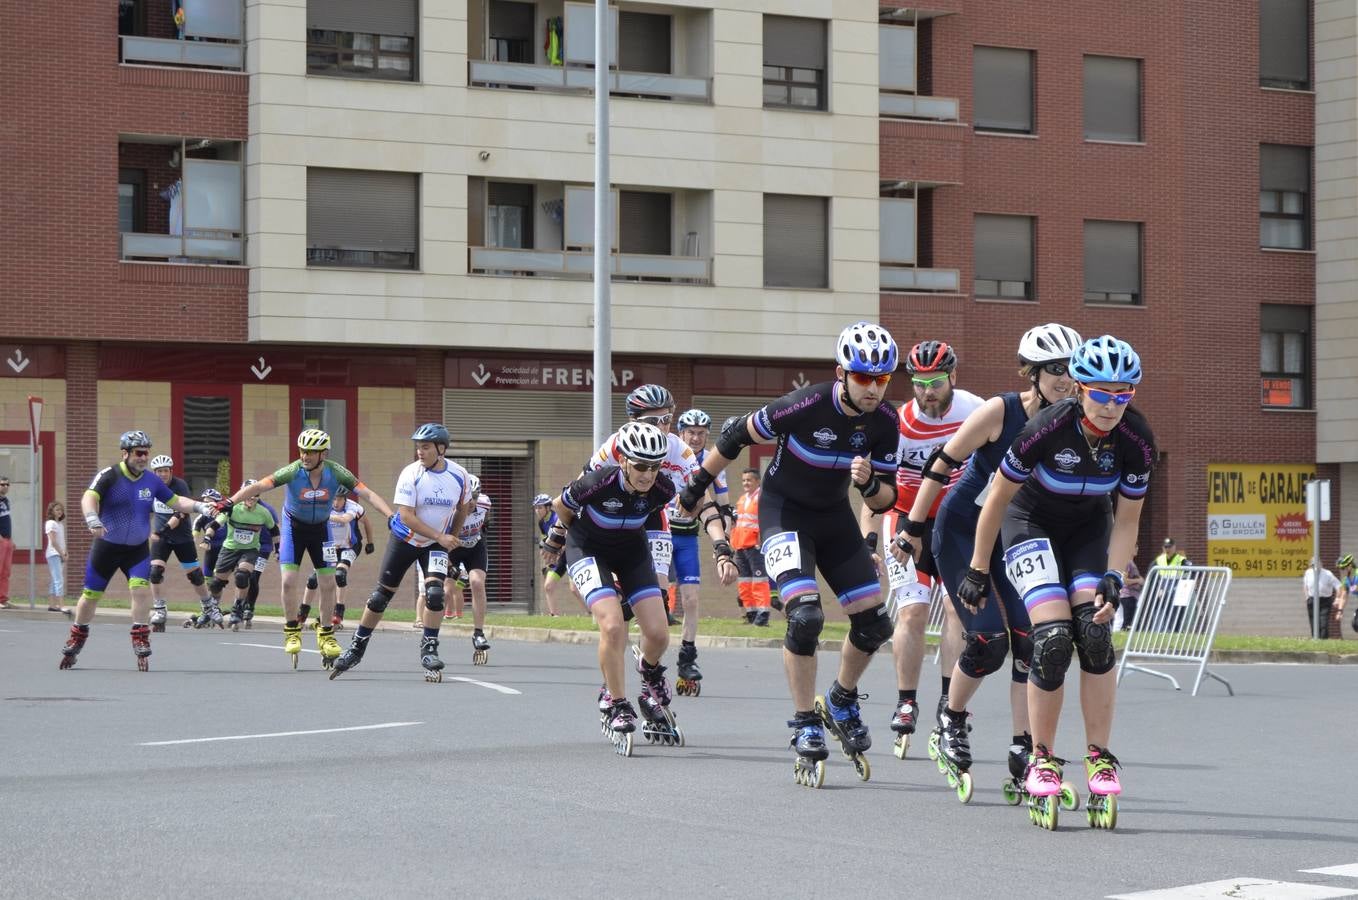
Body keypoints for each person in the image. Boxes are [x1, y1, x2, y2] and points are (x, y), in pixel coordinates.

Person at [678, 321, 901, 787]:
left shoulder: (884, 423)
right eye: (863, 378)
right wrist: (698, 483)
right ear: (842, 373)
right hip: (783, 514)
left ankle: (840, 699)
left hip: (834, 516)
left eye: (883, 379)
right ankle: (804, 722)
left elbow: (885, 501)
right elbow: (737, 435)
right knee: (805, 618)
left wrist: (869, 484)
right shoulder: (806, 404)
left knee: (876, 622)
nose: (874, 389)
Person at [956, 335, 1153, 829]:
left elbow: (1128, 520)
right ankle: (1042, 758)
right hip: (1030, 524)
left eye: (1123, 394)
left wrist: (1113, 573)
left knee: (1094, 632)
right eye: (1102, 393)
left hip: (1088, 530)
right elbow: (997, 497)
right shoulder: (1047, 426)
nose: (1111, 405)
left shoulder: (1137, 438)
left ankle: (1099, 756)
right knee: (1052, 640)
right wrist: (979, 567)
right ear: (1080, 387)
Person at [892, 322, 1082, 794]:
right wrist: (913, 528)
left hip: (1011, 538)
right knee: (988, 642)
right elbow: (941, 463)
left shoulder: (1076, 421)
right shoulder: (1002, 411)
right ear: (1030, 372)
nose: (1065, 379)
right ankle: (949, 721)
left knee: (1033, 643)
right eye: (1054, 370)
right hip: (959, 532)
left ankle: (1025, 744)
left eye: (1072, 371)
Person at [543, 422, 716, 753]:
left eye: (654, 466)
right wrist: (558, 536)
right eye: (640, 465)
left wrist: (718, 533)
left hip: (631, 552)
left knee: (659, 632)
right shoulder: (597, 482)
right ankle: (616, 699)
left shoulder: (662, 488)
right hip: (588, 549)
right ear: (623, 460)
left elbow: (689, 505)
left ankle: (649, 673)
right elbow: (560, 505)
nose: (647, 474)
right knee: (611, 624)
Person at [863, 339, 983, 754]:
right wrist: (869, 538)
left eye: (935, 382)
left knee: (956, 608)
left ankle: (950, 704)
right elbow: (874, 490)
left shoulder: (975, 411)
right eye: (918, 383)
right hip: (905, 523)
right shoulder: (899, 425)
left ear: (953, 377)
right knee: (912, 612)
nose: (927, 391)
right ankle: (906, 701)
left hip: (954, 524)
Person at [588, 385, 735, 696]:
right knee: (618, 611)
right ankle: (613, 684)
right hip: (609, 525)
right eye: (653, 422)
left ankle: (649, 673)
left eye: (667, 420)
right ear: (633, 421)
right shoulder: (616, 444)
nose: (662, 428)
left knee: (654, 594)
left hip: (652, 520)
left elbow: (701, 497)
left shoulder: (676, 448)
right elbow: (580, 488)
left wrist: (722, 547)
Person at [219, 429, 395, 668]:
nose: (305, 456)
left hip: (321, 530)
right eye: (302, 450)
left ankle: (326, 634)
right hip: (294, 528)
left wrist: (390, 516)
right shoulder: (292, 471)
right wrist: (230, 501)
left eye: (311, 451)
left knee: (328, 582)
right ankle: (292, 630)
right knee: (289, 580)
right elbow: (259, 485)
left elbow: (367, 493)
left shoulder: (336, 472)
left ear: (323, 453)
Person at [59, 431, 215, 671]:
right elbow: (88, 497)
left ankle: (140, 636)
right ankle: (77, 636)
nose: (144, 458)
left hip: (137, 549)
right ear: (126, 453)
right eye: (139, 453)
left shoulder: (152, 481)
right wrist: (92, 519)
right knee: (91, 596)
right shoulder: (110, 475)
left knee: (141, 592)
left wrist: (201, 507)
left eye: (146, 453)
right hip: (107, 547)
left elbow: (176, 502)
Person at [329, 423, 467, 681]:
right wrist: (441, 536)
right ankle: (357, 647)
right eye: (417, 446)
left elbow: (464, 507)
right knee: (380, 598)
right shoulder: (410, 474)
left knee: (435, 595)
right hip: (405, 540)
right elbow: (406, 516)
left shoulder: (459, 475)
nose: (419, 451)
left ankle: (429, 649)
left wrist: (452, 537)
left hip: (435, 545)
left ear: (441, 449)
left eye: (425, 447)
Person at [669, 408, 735, 653]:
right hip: (661, 534)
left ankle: (687, 654)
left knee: (691, 600)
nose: (695, 438)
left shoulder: (711, 460)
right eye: (690, 432)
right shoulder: (670, 454)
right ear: (681, 433)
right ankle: (649, 660)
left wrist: (724, 547)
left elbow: (725, 507)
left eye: (701, 433)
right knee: (657, 601)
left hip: (687, 536)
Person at [203, 481, 278, 632]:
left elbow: (274, 531)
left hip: (251, 550)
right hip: (230, 549)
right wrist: (207, 538)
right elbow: (215, 525)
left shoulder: (264, 512)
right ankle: (211, 608)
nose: (251, 498)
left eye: (255, 495)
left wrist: (278, 550)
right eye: (248, 494)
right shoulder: (233, 509)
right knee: (216, 584)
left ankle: (238, 608)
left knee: (243, 576)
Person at [147, 455, 211, 631]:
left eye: (165, 471)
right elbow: (147, 510)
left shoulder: (179, 485)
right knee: (155, 572)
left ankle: (208, 605)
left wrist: (163, 529)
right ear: (155, 473)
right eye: (159, 471)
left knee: (195, 576)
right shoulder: (150, 487)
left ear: (171, 471)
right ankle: (159, 608)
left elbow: (181, 513)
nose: (162, 474)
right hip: (162, 538)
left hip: (182, 537)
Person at [299, 488, 365, 630]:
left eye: (339, 499)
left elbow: (348, 520)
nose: (336, 503)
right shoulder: (323, 506)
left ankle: (338, 613)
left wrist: (370, 542)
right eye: (334, 499)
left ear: (345, 499)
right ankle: (303, 612)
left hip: (349, 546)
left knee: (340, 575)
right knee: (313, 579)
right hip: (330, 546)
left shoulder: (353, 507)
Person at [446, 473, 494, 664]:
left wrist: (485, 525)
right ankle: (430, 636)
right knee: (445, 591)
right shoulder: (449, 511)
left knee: (476, 583)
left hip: (475, 548)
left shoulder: (485, 503)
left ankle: (478, 633)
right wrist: (451, 568)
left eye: (475, 496)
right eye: (468, 498)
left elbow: (486, 516)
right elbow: (438, 540)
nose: (472, 502)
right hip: (452, 550)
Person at [731, 467, 773, 625]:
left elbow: (767, 520)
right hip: (740, 545)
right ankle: (751, 613)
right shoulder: (742, 499)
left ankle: (763, 614)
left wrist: (762, 541)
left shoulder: (762, 498)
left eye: (749, 480)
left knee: (759, 580)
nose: (745, 483)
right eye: (743, 480)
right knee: (744, 581)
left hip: (755, 546)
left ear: (757, 481)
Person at [534, 492, 572, 616]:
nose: (537, 510)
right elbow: (545, 541)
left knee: (575, 589)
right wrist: (548, 562)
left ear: (548, 507)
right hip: (557, 559)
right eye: (536, 508)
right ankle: (554, 615)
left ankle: (591, 613)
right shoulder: (541, 523)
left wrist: (559, 552)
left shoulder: (557, 519)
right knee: (548, 586)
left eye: (540, 507)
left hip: (569, 555)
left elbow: (566, 538)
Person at [1148, 538, 1192, 632]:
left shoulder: (1181, 560)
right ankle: (1165, 632)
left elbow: (1193, 570)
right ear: (1163, 548)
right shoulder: (1159, 560)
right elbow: (1150, 575)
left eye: (1170, 547)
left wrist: (1190, 583)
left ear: (1174, 547)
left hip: (1178, 591)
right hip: (1163, 592)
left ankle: (1177, 632)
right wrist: (1158, 589)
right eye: (1166, 547)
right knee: (1164, 615)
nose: (1167, 549)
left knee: (1177, 615)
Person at [1303, 560, 1342, 640]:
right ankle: (1315, 639)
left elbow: (1339, 586)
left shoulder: (1328, 574)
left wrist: (1337, 598)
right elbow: (1305, 585)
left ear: (1321, 564)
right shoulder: (1308, 573)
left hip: (1325, 601)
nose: (1315, 567)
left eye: (1317, 565)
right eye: (1313, 565)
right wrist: (1307, 597)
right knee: (1313, 622)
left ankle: (1323, 640)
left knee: (1323, 622)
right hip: (1312, 600)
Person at [44, 501, 70, 615]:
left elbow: (61, 541)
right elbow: (53, 542)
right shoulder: (50, 523)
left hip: (60, 553)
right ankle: (61, 605)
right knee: (59, 579)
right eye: (57, 510)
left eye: (61, 510)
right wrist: (61, 554)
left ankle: (52, 605)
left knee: (55, 580)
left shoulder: (60, 525)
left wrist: (65, 552)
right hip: (53, 554)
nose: (59, 512)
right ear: (52, 511)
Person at [1116, 545, 1145, 632]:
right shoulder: (1127, 562)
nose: (1137, 549)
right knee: (1127, 622)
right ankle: (1123, 637)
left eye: (1137, 547)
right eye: (1134, 547)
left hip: (1133, 596)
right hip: (1127, 596)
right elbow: (1124, 580)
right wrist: (1138, 580)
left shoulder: (1131, 562)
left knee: (1130, 621)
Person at [0, 476, 12, 608]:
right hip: (0, 540)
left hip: (7, 540)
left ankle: (3, 598)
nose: (5, 487)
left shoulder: (6, 501)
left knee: (5, 571)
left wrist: (10, 539)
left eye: (7, 485)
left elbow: (6, 521)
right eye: (2, 484)